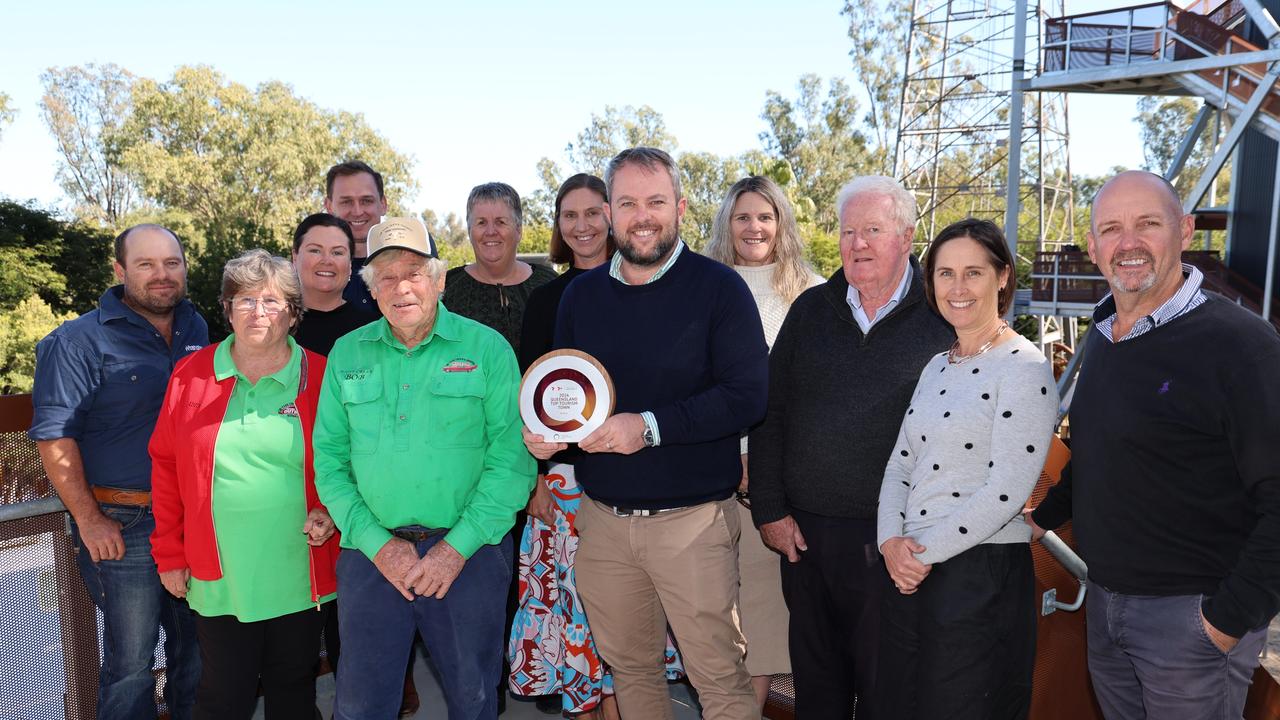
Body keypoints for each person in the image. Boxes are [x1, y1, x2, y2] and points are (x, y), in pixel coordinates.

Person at [523, 147, 768, 720]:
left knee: (720, 683)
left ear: (679, 206)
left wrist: (650, 428)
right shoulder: (580, 297)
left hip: (694, 525)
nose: (642, 216)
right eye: (628, 203)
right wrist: (546, 436)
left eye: (655, 201)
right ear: (609, 210)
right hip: (603, 522)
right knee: (631, 674)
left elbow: (747, 396)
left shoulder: (719, 288)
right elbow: (568, 396)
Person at [1027, 170, 1280, 719]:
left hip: (1192, 625)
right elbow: (1096, 455)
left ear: (1184, 230)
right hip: (1106, 605)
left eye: (1148, 224)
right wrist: (1036, 518)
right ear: (1093, 247)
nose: (1129, 243)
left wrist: (1224, 621)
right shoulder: (1103, 337)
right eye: (1112, 229)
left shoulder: (1241, 345)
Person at [748, 176, 954, 720]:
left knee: (891, 692)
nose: (857, 243)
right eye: (847, 231)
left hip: (894, 542)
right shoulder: (812, 310)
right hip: (807, 538)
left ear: (907, 237)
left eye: (873, 230)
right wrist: (770, 509)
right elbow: (771, 413)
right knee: (818, 690)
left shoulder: (942, 318)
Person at [313, 217, 535, 720]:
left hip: (469, 553)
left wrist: (454, 551)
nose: (401, 287)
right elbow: (328, 461)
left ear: (438, 280)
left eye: (414, 272)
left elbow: (511, 459)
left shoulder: (487, 350)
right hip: (370, 556)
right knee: (360, 705)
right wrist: (377, 545)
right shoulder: (348, 353)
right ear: (371, 290)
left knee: (473, 699)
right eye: (386, 277)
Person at [874, 218, 1056, 718]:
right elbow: (900, 464)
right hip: (911, 571)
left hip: (979, 577)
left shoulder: (1024, 367)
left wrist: (920, 553)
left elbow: (1007, 490)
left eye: (973, 273)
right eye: (945, 273)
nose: (958, 288)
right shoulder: (936, 366)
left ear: (1002, 277)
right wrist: (891, 542)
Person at [148, 249, 340, 719]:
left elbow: (350, 459)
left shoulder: (321, 373)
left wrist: (333, 510)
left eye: (273, 301)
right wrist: (169, 555)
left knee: (293, 691)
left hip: (298, 567)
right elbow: (166, 467)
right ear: (227, 307)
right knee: (223, 695)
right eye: (245, 299)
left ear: (294, 313)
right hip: (220, 570)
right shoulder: (191, 376)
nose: (258, 312)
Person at [29, 224, 206, 720]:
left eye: (172, 263)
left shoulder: (197, 328)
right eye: (146, 264)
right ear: (120, 270)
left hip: (191, 520)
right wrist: (88, 519)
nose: (161, 275)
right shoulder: (78, 340)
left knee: (196, 653)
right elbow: (54, 436)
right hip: (121, 523)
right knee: (130, 666)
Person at [705, 175, 822, 710]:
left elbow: (812, 394)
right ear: (725, 224)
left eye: (765, 216)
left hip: (771, 481)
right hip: (704, 475)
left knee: (760, 622)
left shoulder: (813, 293)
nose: (754, 227)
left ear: (782, 224)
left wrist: (762, 461)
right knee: (709, 617)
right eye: (743, 216)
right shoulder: (701, 287)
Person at [445, 182, 557, 357]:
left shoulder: (550, 284)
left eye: (501, 222)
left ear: (518, 229)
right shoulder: (447, 289)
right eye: (481, 223)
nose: (491, 231)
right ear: (469, 231)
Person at [292, 213, 377, 356]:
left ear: (350, 264)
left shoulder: (374, 331)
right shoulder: (273, 324)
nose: (327, 260)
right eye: (315, 250)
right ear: (295, 257)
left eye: (337, 252)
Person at [324, 161, 389, 314]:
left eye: (366, 201)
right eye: (346, 202)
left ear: (383, 204)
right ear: (329, 206)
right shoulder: (313, 272)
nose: (358, 211)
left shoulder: (410, 263)